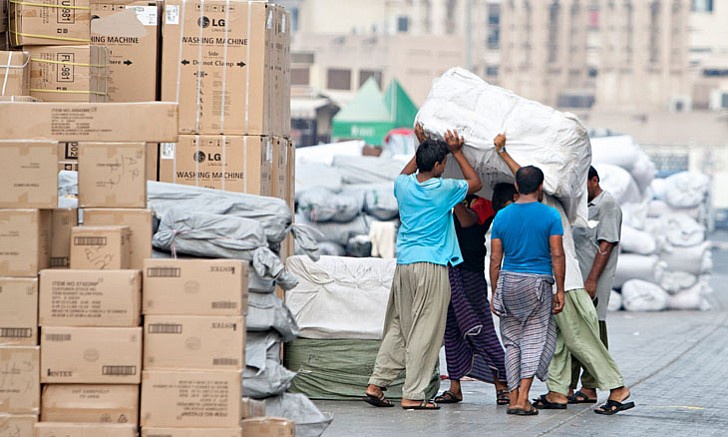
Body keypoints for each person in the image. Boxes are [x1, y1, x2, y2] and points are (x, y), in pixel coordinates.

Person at [494, 141, 634, 415]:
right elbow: (526, 182)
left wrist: (502, 153)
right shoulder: (554, 205)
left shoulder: (550, 204)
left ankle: (617, 387)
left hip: (566, 284)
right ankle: (558, 392)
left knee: (580, 339)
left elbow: (525, 180)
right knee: (555, 340)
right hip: (550, 285)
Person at [364, 126, 482, 411]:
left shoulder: (402, 186)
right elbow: (475, 182)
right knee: (425, 331)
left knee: (400, 327)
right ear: (440, 165)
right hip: (431, 266)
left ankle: (377, 384)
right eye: (443, 162)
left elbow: (406, 172)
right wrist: (455, 151)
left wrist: (422, 146)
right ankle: (413, 395)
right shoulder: (444, 189)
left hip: (404, 265)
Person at [489, 164, 565, 416]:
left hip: (508, 281)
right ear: (540, 187)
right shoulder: (550, 216)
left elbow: (495, 259)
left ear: (517, 187)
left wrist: (494, 291)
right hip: (537, 283)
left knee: (512, 343)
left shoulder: (502, 216)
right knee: (533, 339)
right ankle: (523, 398)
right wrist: (561, 289)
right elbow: (557, 254)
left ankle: (512, 397)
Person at [433, 194, 510, 406]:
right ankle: (455, 387)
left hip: (470, 270)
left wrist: (454, 198)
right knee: (452, 330)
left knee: (479, 327)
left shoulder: (485, 200)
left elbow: (468, 221)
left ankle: (503, 382)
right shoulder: (448, 195)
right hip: (448, 267)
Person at [570, 166, 633, 414]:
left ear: (594, 181)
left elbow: (605, 244)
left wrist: (593, 280)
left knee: (595, 329)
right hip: (578, 278)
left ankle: (595, 384)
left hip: (593, 280)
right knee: (580, 329)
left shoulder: (607, 205)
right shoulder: (581, 206)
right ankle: (586, 387)